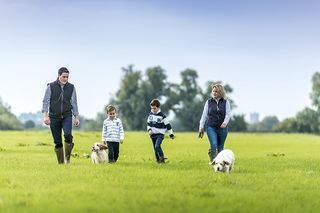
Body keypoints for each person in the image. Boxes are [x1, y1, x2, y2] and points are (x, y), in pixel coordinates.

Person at [42, 67, 80, 164]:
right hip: (54, 117)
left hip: (67, 116)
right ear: (59, 75)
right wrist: (45, 116)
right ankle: (61, 163)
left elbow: (74, 103)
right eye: (63, 76)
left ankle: (67, 159)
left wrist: (76, 117)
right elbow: (45, 102)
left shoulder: (71, 87)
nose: (65, 79)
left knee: (68, 135)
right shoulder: (50, 86)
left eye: (67, 77)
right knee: (57, 141)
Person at [198, 84, 231, 164]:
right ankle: (213, 162)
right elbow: (204, 115)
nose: (214, 93)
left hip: (222, 128)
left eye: (216, 91)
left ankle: (220, 163)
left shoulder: (226, 102)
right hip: (211, 127)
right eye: (213, 91)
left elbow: (228, 114)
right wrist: (201, 126)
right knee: (214, 144)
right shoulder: (208, 102)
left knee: (220, 147)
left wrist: (225, 123)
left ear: (220, 92)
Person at [147, 99, 175, 164]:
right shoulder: (150, 115)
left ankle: (162, 160)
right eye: (152, 108)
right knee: (155, 149)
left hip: (160, 134)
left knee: (157, 146)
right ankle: (158, 160)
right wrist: (149, 130)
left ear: (158, 107)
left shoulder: (162, 116)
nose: (153, 110)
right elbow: (148, 124)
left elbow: (168, 125)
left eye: (154, 108)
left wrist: (171, 135)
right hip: (153, 135)